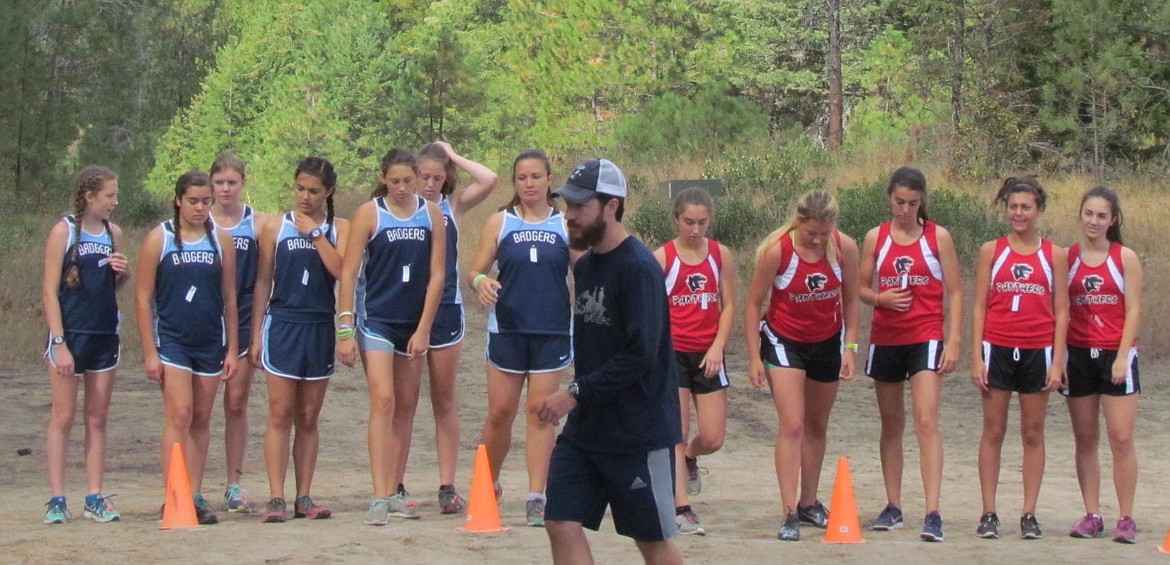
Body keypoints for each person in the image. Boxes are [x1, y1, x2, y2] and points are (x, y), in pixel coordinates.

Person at [536, 158, 683, 565]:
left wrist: (576, 394)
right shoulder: (586, 267)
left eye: (580, 206)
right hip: (588, 430)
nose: (570, 215)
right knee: (560, 520)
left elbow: (642, 353)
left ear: (612, 206)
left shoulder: (638, 268)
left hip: (638, 430)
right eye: (568, 205)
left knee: (651, 540)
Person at [336, 148, 445, 525]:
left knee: (405, 406)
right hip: (376, 319)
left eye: (407, 181)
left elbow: (437, 275)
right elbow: (349, 273)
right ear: (383, 178)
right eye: (394, 181)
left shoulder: (431, 214)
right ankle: (379, 494)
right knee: (383, 400)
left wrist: (424, 328)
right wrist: (346, 328)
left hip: (412, 323)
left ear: (417, 177)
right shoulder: (370, 213)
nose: (401, 188)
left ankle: (396, 487)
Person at [743, 189, 860, 542]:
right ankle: (789, 510)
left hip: (827, 340)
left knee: (816, 425)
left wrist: (851, 348)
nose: (818, 239)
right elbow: (753, 304)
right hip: (784, 340)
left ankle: (809, 502)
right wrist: (753, 357)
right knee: (792, 424)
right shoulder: (777, 250)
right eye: (812, 233)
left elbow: (852, 300)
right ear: (799, 222)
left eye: (824, 234)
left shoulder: (845, 248)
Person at [467, 149, 574, 527]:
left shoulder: (565, 223)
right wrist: (482, 282)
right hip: (508, 330)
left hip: (551, 330)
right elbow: (475, 270)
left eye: (536, 177)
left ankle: (536, 495)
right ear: (515, 183)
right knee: (500, 412)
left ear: (549, 180)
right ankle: (489, 482)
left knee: (541, 413)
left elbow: (585, 272)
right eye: (522, 178)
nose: (529, 184)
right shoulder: (500, 222)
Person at [858, 167, 962, 542]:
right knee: (892, 423)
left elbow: (955, 292)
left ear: (922, 202)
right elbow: (860, 287)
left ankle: (933, 511)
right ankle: (893, 505)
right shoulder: (876, 238)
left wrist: (953, 341)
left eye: (913, 203)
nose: (905, 209)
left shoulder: (938, 238)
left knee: (926, 420)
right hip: (886, 338)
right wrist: (880, 298)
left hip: (925, 336)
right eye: (900, 202)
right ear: (890, 198)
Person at [136, 170, 239, 526]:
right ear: (179, 200)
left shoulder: (221, 240)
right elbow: (143, 296)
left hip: (210, 340)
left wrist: (232, 349)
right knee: (179, 413)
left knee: (201, 418)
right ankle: (173, 494)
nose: (199, 208)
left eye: (206, 202)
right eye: (193, 201)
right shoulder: (159, 239)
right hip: (173, 340)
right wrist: (150, 351)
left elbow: (229, 297)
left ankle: (193, 494)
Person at [250, 157, 349, 523]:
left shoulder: (340, 228)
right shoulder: (276, 227)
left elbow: (342, 271)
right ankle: (276, 496)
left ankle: (303, 495)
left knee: (308, 416)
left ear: (328, 192)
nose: (305, 197)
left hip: (319, 325)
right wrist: (256, 333)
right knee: (280, 413)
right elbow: (262, 280)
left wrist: (316, 235)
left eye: (314, 191)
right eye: (300, 189)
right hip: (283, 324)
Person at [971, 175, 1067, 540]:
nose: (1018, 213)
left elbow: (1062, 311)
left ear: (1039, 210)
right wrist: (976, 356)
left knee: (1032, 433)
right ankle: (989, 511)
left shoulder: (1053, 254)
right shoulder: (991, 251)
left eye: (1026, 207)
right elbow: (980, 306)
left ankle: (1029, 512)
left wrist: (1058, 362)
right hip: (997, 347)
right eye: (1013, 206)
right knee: (993, 430)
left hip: (1036, 349)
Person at [408, 141, 497, 514]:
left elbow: (490, 179)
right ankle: (394, 484)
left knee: (443, 400)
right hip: (407, 313)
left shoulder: (453, 205)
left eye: (437, 178)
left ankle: (447, 485)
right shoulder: (399, 208)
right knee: (404, 403)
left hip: (446, 310)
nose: (430, 184)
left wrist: (453, 155)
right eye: (424, 176)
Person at [41, 166, 131, 524]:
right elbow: (49, 290)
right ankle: (57, 499)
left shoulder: (114, 233)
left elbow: (115, 287)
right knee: (63, 417)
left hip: (104, 335)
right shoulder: (64, 231)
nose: (115, 201)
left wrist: (122, 273)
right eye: (109, 195)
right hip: (70, 334)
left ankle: (94, 496)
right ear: (90, 197)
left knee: (97, 419)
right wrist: (59, 342)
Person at [652, 187, 735, 537]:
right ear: (676, 219)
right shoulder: (662, 258)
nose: (695, 230)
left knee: (713, 437)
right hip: (673, 353)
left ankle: (689, 458)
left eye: (702, 222)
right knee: (677, 429)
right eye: (689, 222)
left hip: (708, 352)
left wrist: (718, 346)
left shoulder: (720, 255)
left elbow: (728, 304)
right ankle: (681, 507)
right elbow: (652, 311)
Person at [1063, 186, 1142, 543]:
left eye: (1101, 215)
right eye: (1088, 214)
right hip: (1078, 355)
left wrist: (1123, 355)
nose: (1094, 221)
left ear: (1113, 220)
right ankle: (1092, 513)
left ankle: (1126, 517)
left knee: (1121, 437)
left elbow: (1134, 309)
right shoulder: (1068, 257)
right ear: (1080, 215)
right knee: (1086, 438)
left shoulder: (1125, 257)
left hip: (1115, 355)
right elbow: (1060, 310)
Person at [209, 152, 263, 513]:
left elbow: (264, 279)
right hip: (202, 323)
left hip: (242, 319)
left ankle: (234, 482)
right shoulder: (198, 219)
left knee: (236, 402)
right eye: (219, 182)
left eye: (232, 182)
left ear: (243, 182)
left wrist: (257, 331)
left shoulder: (258, 223)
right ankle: (187, 484)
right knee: (195, 410)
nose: (226, 188)